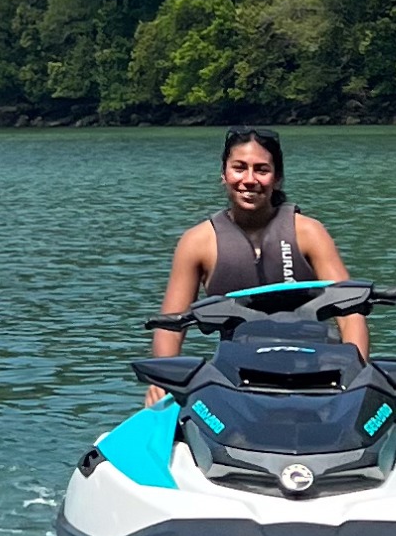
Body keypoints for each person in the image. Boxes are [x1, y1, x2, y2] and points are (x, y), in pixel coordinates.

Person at [147, 127, 366, 387]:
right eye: (239, 168)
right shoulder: (197, 243)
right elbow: (171, 324)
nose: (249, 180)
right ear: (224, 174)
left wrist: (357, 374)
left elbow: (350, 313)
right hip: (236, 380)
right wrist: (162, 383)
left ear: (278, 178)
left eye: (262, 170)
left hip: (315, 374)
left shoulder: (308, 232)